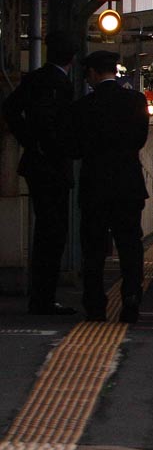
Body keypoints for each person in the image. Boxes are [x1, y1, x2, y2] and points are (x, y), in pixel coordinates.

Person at [2, 30, 79, 316]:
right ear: (72, 58)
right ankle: (43, 300)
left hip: (36, 165)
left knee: (46, 232)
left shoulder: (34, 78)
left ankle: (42, 297)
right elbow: (55, 125)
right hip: (53, 167)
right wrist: (46, 146)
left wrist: (28, 141)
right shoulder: (60, 84)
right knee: (53, 234)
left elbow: (10, 108)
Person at [71, 49, 150, 323]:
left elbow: (76, 148)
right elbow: (140, 140)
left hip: (94, 186)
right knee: (130, 244)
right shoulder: (136, 101)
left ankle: (95, 305)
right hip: (128, 185)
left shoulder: (83, 107)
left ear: (93, 73)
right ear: (114, 71)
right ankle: (130, 299)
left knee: (93, 249)